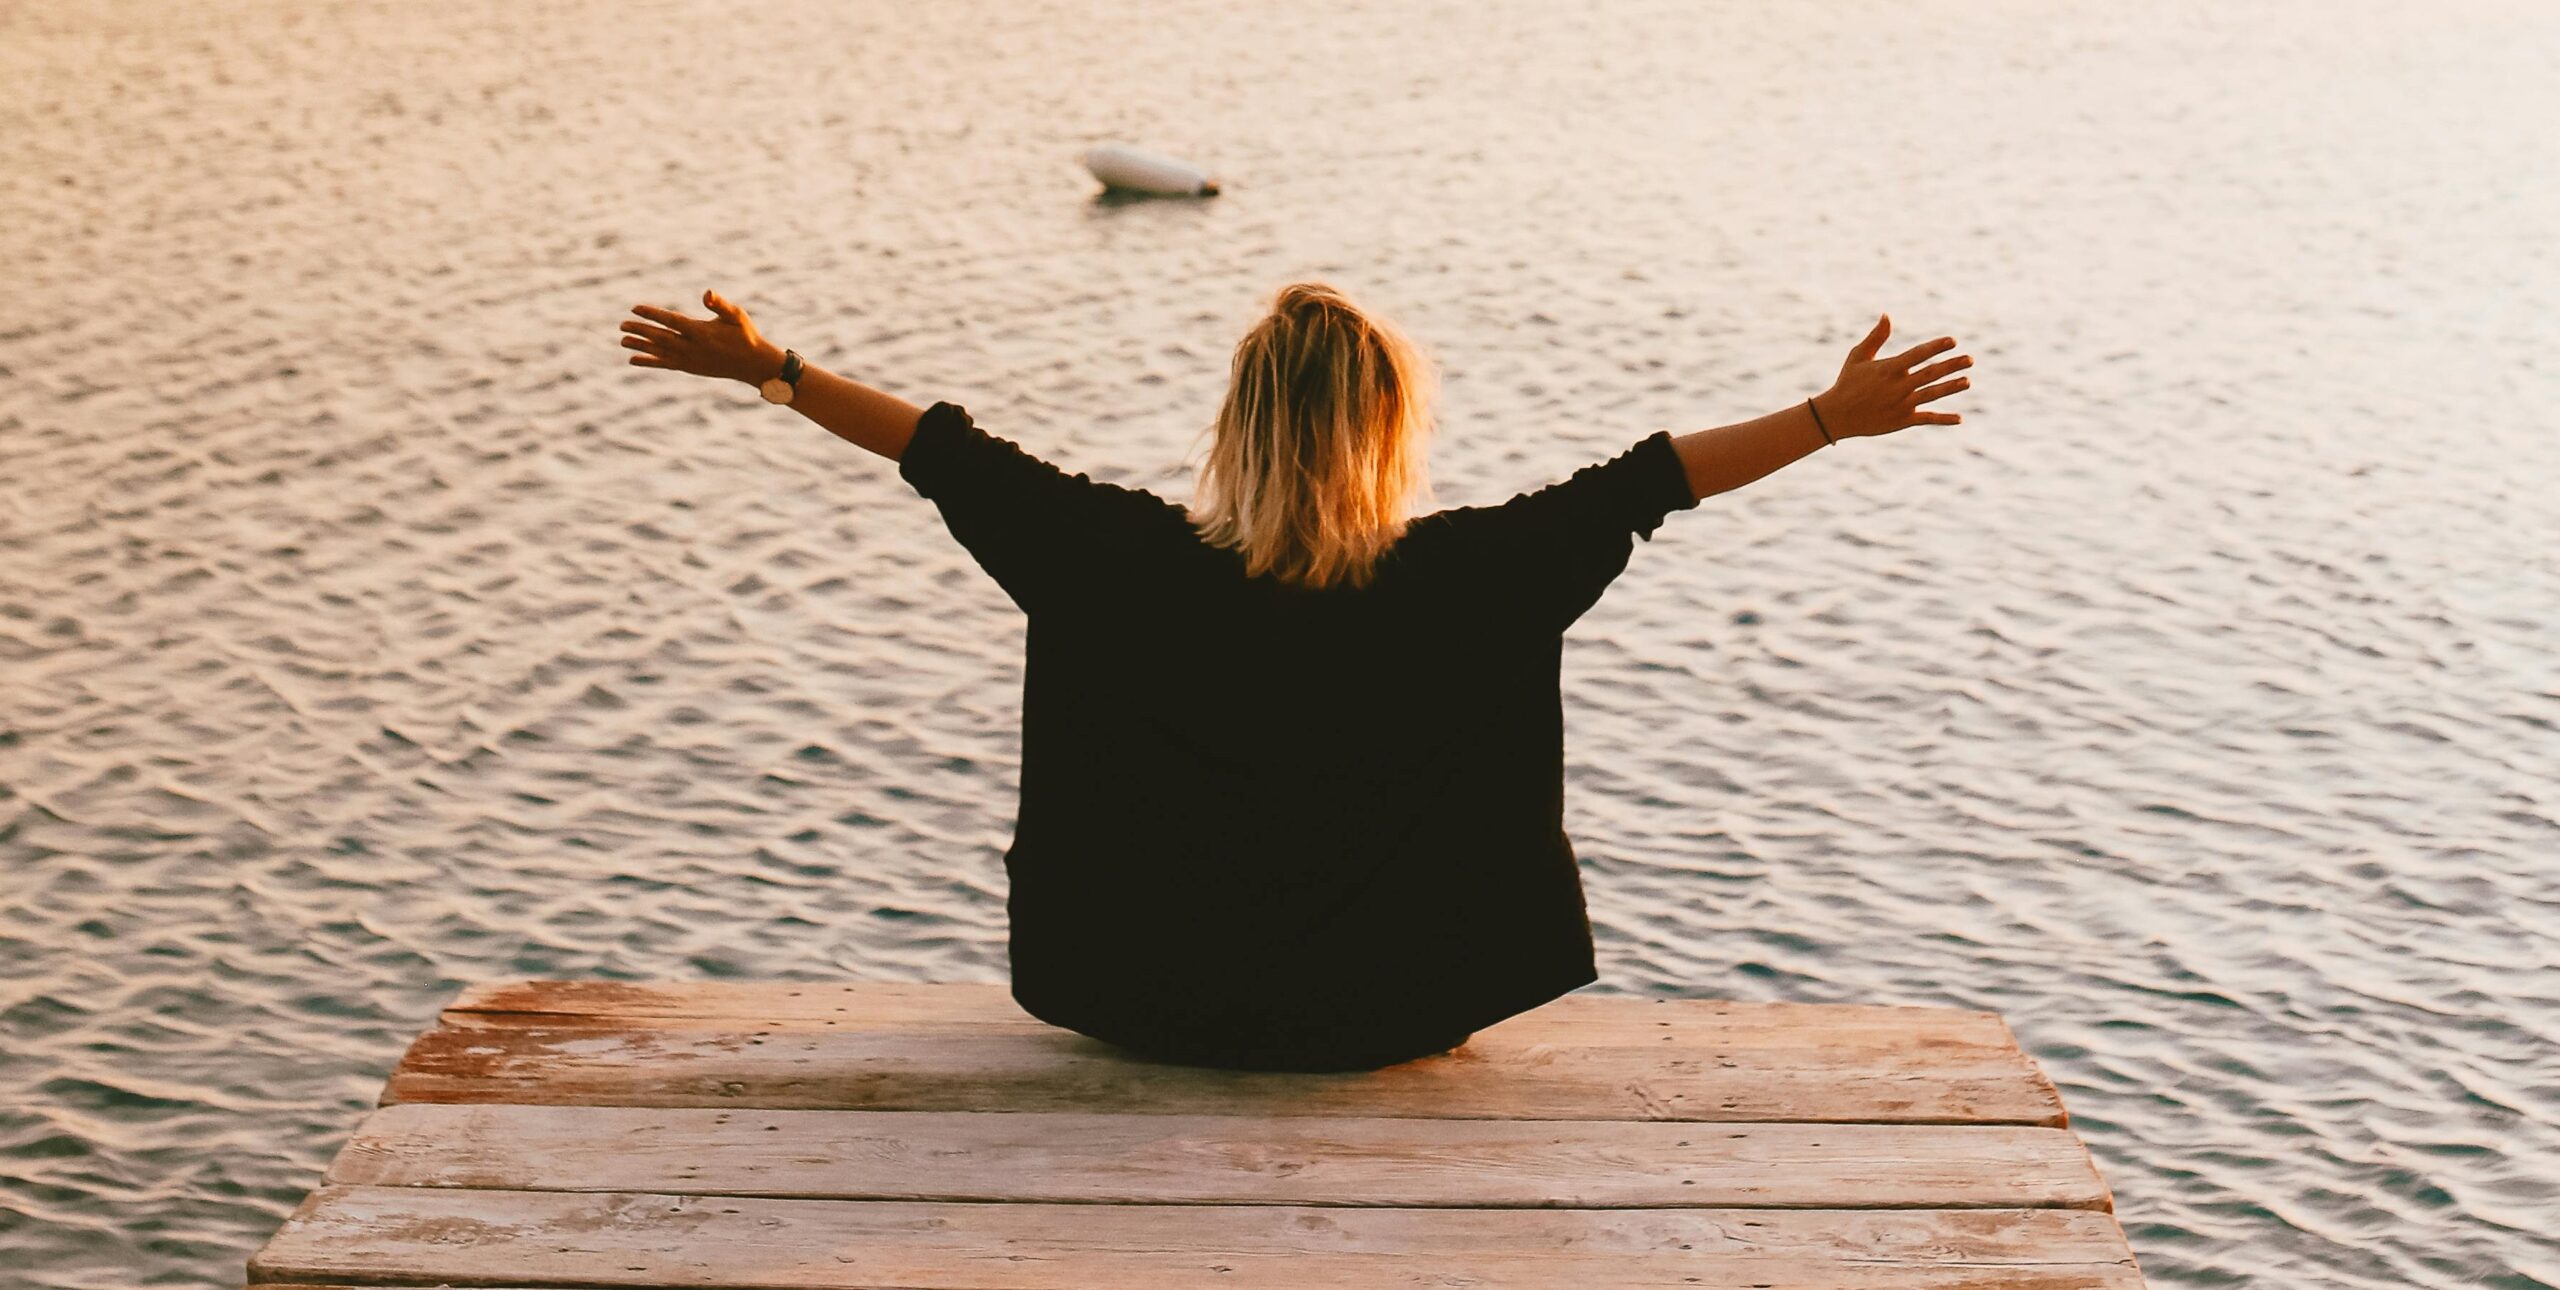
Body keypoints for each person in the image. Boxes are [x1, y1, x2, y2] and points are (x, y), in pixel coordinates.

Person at [619, 282, 1972, 1072]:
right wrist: (1827, 420)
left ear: (1237, 423)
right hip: (1396, 1018)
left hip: (1143, 1009)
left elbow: (940, 449)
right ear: (1392, 427)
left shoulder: (1114, 556)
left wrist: (777, 372)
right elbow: (1652, 477)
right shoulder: (1477, 573)